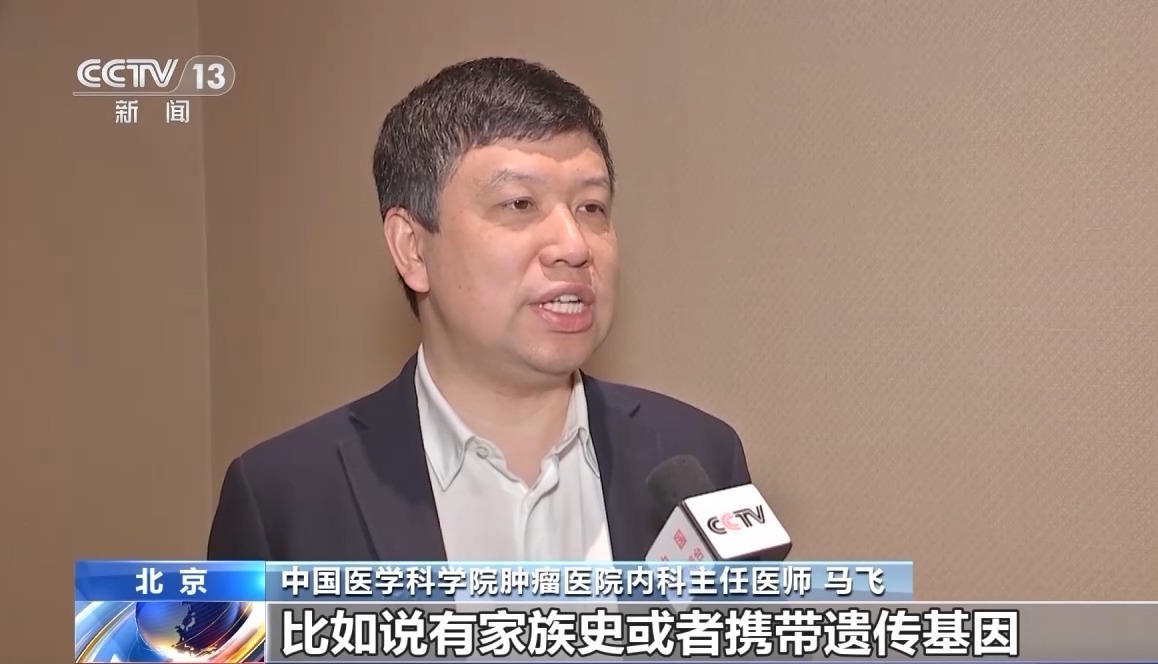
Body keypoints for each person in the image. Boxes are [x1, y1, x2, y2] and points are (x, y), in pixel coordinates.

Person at [207, 57, 751, 562]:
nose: (574, 245)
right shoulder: (282, 499)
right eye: (519, 203)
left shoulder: (702, 457)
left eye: (591, 207)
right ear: (412, 249)